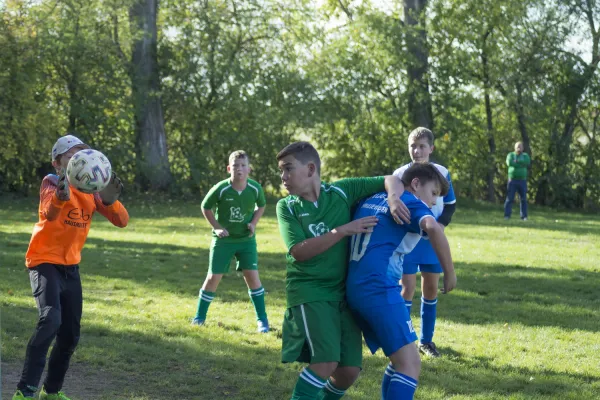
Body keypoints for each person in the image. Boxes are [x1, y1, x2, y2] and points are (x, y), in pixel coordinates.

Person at [276, 141, 410, 400]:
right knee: (325, 362)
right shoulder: (287, 207)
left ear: (311, 168)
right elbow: (299, 251)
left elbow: (391, 179)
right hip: (310, 291)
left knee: (348, 370)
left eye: (288, 169)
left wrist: (393, 199)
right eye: (281, 171)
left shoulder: (341, 191)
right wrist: (342, 230)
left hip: (343, 293)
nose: (283, 177)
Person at [13, 135, 128, 400]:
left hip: (71, 268)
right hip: (44, 262)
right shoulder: (52, 182)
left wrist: (111, 201)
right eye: (73, 155)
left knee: (70, 335)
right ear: (57, 162)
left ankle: (51, 392)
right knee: (50, 318)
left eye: (84, 154)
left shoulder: (91, 192)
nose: (81, 159)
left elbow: (121, 221)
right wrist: (61, 197)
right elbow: (49, 213)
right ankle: (25, 391)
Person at [347, 162, 457, 400]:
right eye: (433, 193)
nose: (434, 202)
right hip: (378, 289)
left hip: (356, 286)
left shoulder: (375, 197)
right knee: (410, 365)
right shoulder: (409, 201)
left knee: (401, 360)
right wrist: (450, 272)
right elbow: (434, 228)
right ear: (416, 184)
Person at [393, 127, 456, 358]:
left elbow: (450, 204)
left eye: (421, 146)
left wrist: (441, 225)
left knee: (430, 288)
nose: (417, 151)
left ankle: (426, 341)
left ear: (431, 148)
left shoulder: (441, 172)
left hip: (432, 241)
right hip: (408, 239)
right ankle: (402, 339)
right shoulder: (400, 174)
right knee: (406, 288)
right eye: (413, 146)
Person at [192, 150, 269, 332]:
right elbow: (206, 206)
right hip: (224, 241)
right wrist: (217, 227)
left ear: (249, 169)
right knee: (213, 278)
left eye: (243, 166)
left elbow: (262, 205)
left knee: (252, 277)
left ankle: (263, 321)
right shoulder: (221, 188)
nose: (239, 169)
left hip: (246, 240)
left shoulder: (255, 188)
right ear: (229, 168)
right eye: (235, 166)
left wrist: (253, 223)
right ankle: (199, 317)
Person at [504, 141, 530, 220]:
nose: (519, 148)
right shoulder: (511, 155)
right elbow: (509, 163)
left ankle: (524, 216)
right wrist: (520, 164)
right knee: (510, 198)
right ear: (514, 148)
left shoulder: (525, 156)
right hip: (512, 180)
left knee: (523, 199)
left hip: (522, 180)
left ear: (523, 148)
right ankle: (507, 215)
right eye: (517, 146)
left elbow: (527, 162)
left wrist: (517, 162)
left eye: (520, 146)